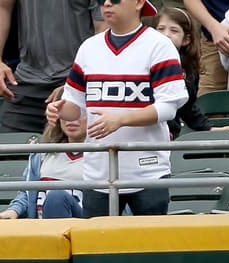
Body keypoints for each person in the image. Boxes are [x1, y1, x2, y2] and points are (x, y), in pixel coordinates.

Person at [48, 0, 188, 217]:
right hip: (98, 172)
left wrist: (120, 119)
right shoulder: (89, 47)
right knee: (96, 247)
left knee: (147, 247)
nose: (106, 4)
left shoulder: (159, 45)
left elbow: (168, 108)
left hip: (147, 170)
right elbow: (75, 108)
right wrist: (58, 110)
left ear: (139, 3)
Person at [0, 0, 102, 134]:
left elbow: (103, 26)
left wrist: (76, 83)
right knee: (12, 152)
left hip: (77, 88)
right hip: (26, 82)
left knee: (81, 154)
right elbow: (0, 5)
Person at [0, 110, 86, 219]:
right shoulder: (42, 153)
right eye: (66, 114)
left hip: (83, 227)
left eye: (80, 113)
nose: (71, 119)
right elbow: (27, 193)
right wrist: (14, 210)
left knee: (57, 197)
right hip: (40, 225)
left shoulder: (104, 156)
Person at [156, 6, 217, 137]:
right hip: (149, 131)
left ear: (186, 40)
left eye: (174, 31)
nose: (166, 34)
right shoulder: (145, 63)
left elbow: (187, 106)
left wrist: (208, 128)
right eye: (160, 29)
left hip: (170, 135)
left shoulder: (187, 71)